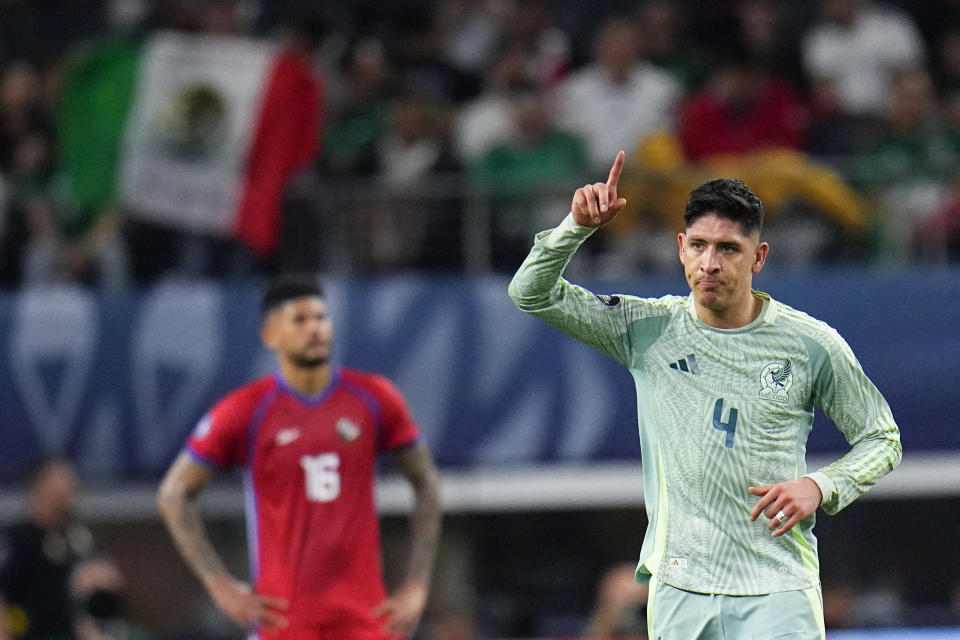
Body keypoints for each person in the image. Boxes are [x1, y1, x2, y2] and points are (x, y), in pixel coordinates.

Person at [507, 151, 902, 639]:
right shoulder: (646, 329)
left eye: (728, 249)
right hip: (680, 587)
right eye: (698, 245)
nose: (709, 263)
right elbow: (531, 292)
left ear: (758, 257)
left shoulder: (810, 344)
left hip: (777, 586)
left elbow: (882, 438)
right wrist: (575, 227)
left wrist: (820, 486)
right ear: (680, 248)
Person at [157, 275, 442, 640]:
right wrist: (220, 586)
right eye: (300, 320)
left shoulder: (374, 398)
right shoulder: (247, 410)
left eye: (321, 318)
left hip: (366, 617)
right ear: (270, 334)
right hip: (284, 622)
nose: (315, 329)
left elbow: (426, 481)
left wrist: (417, 583)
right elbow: (173, 494)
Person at [0, 456, 95, 640]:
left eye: (71, 491)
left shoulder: (78, 538)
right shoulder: (18, 541)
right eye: (61, 491)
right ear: (40, 489)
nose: (69, 499)